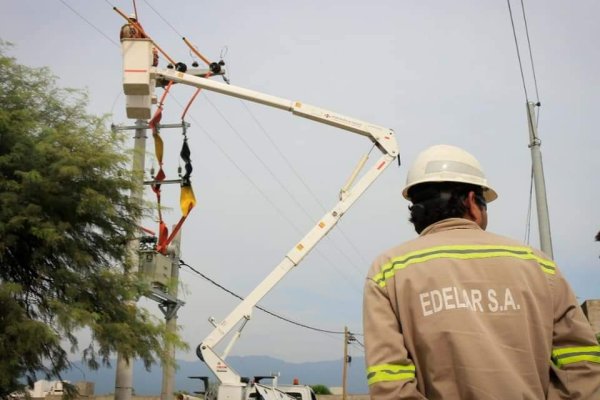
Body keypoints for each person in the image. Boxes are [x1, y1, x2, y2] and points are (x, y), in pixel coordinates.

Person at [363, 144, 600, 399]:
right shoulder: (539, 265)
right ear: (473, 202)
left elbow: (389, 382)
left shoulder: (388, 271)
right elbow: (581, 365)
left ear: (416, 210)